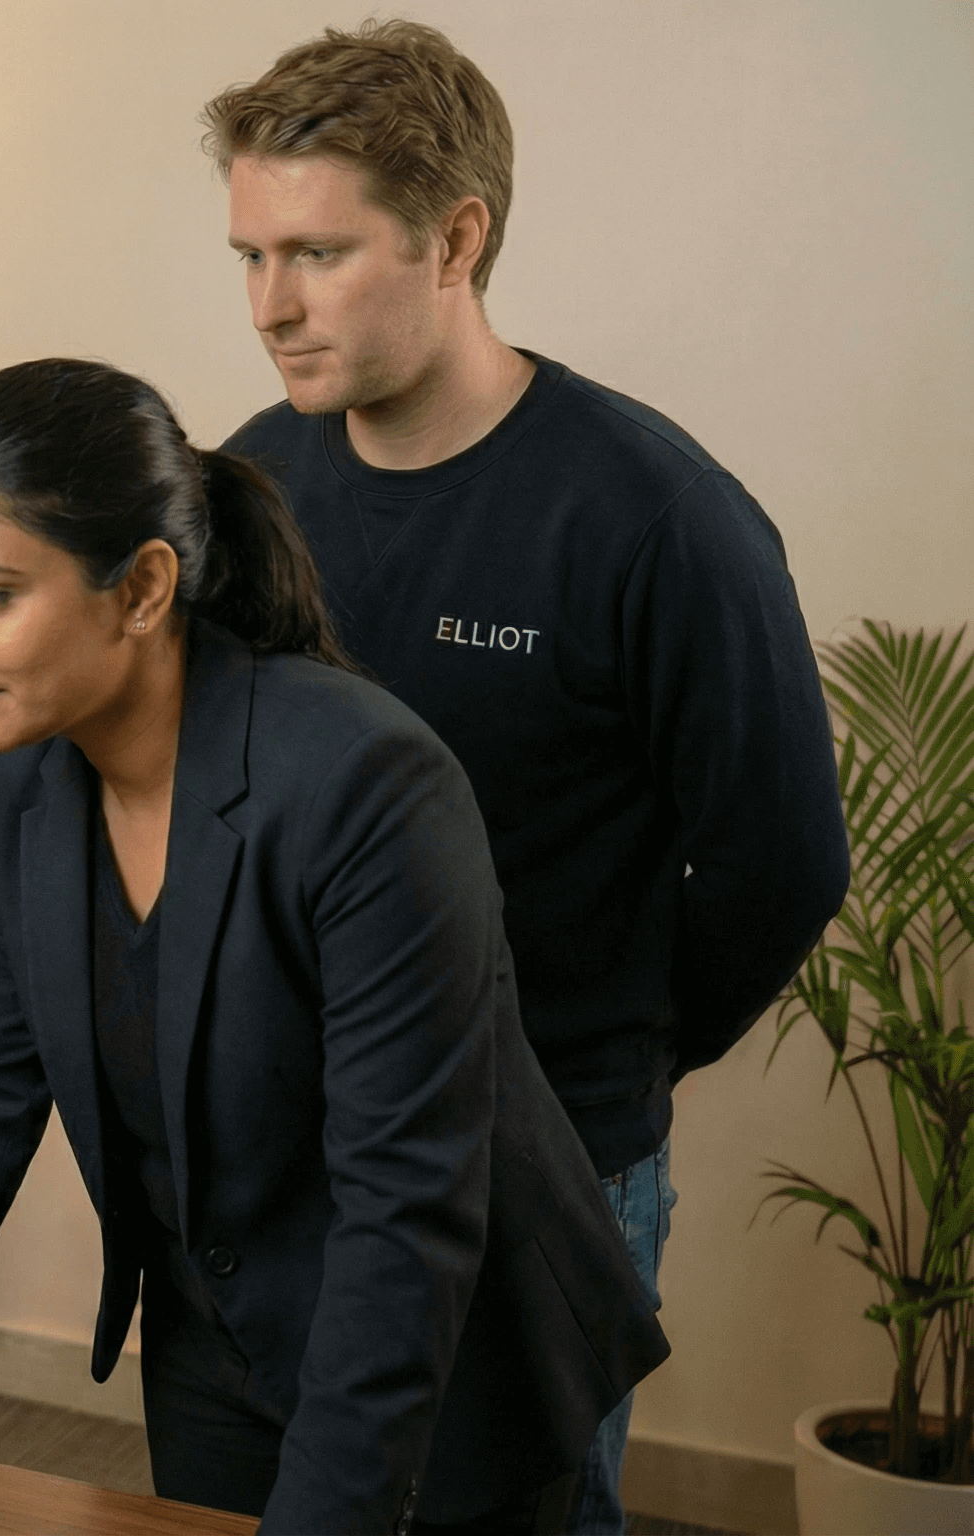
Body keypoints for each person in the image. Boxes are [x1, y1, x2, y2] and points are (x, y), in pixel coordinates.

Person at [0, 359, 669, 1533]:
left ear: (143, 588)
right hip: (215, 1345)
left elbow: (403, 1211)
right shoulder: (14, 772)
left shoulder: (363, 780)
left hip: (443, 1360)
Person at [203, 22, 847, 1529]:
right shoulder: (247, 487)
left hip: (545, 1163)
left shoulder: (653, 514)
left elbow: (780, 866)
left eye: (314, 253)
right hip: (303, 1159)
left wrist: (604, 1055)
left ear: (456, 237)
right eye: (247, 255)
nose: (268, 305)